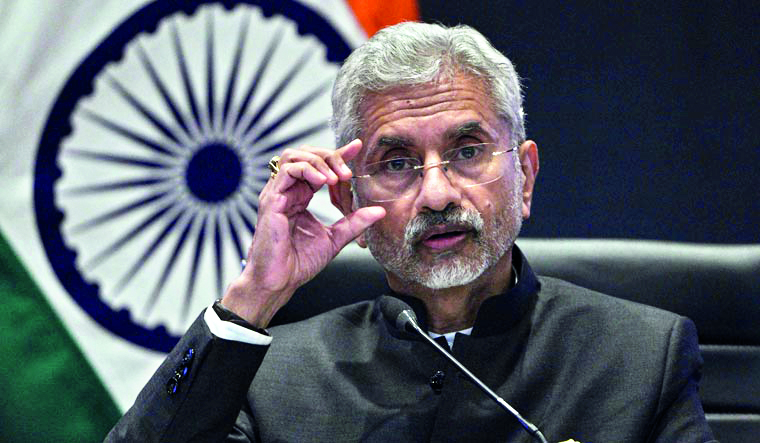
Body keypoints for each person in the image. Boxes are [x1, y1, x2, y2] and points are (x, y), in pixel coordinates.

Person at [107, 22, 717, 442]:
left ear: (525, 176)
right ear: (347, 198)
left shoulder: (641, 358)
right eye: (397, 162)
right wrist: (252, 300)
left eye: (468, 151)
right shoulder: (268, 374)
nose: (437, 194)